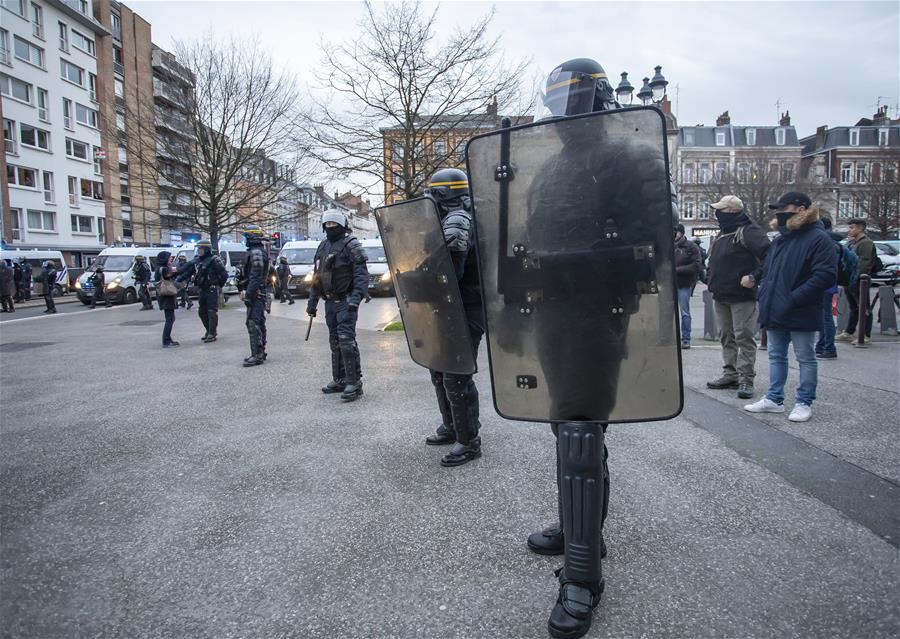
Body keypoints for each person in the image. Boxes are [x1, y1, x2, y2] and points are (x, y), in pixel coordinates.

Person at [468, 58, 678, 639]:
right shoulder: (552, 168)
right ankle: (581, 523)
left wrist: (562, 268)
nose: (565, 116)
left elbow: (654, 245)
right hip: (555, 315)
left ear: (600, 101)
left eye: (575, 100)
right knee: (567, 425)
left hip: (598, 313)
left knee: (583, 429)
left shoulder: (627, 158)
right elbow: (530, 243)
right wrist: (513, 299)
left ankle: (583, 575)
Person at [745, 192, 836, 423]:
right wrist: (765, 294)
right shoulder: (781, 239)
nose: (780, 212)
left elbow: (824, 276)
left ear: (802, 208)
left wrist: (793, 298)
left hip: (801, 307)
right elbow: (770, 271)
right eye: (778, 208)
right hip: (776, 307)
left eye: (785, 207)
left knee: (805, 356)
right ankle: (774, 399)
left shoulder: (818, 238)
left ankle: (804, 402)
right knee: (776, 355)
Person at [420, 168, 485, 466]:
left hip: (465, 306)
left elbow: (451, 272)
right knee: (440, 370)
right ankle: (452, 427)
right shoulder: (447, 219)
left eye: (433, 193)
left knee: (456, 374)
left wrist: (419, 280)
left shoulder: (458, 220)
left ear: (443, 195)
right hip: (449, 305)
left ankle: (469, 440)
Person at [705, 194, 770, 400]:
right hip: (721, 293)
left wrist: (754, 276)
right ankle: (730, 374)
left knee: (744, 337)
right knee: (727, 336)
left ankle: (746, 379)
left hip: (742, 295)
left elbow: (770, 255)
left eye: (721, 210)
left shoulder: (749, 231)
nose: (717, 214)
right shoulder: (724, 233)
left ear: (732, 211)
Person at [306, 210, 369, 401]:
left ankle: (354, 382)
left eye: (335, 224)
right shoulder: (323, 246)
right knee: (335, 342)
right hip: (330, 302)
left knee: (346, 340)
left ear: (342, 225)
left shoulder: (352, 245)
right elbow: (317, 276)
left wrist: (355, 298)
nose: (331, 227)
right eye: (328, 224)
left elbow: (361, 274)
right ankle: (340, 379)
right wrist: (312, 301)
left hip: (345, 300)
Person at [176, 239, 228, 342]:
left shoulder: (214, 260)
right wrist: (178, 279)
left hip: (212, 289)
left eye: (201, 248)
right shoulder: (197, 260)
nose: (199, 250)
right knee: (201, 312)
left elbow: (224, 274)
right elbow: (189, 272)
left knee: (211, 311)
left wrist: (217, 284)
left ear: (206, 249)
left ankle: (212, 333)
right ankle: (208, 330)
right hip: (202, 289)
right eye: (198, 248)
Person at [835, 218, 877, 345]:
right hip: (850, 279)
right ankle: (849, 331)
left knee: (864, 307)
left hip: (859, 280)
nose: (849, 230)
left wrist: (856, 277)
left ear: (860, 228)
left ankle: (865, 334)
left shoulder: (866, 243)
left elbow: (864, 263)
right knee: (854, 307)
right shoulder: (852, 242)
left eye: (852, 227)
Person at [237, 225, 270, 366]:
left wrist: (249, 294)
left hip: (256, 293)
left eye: (246, 237)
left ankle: (257, 354)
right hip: (257, 291)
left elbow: (256, 276)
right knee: (258, 322)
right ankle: (260, 351)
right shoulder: (256, 252)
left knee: (253, 322)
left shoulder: (256, 253)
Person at [815, 218, 842, 359]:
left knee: (826, 316)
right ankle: (822, 345)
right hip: (829, 284)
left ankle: (828, 347)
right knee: (824, 316)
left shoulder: (828, 243)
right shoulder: (833, 242)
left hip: (826, 285)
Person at [674, 224, 701, 348]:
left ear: (681, 233)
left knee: (684, 312)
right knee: (667, 312)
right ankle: (670, 337)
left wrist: (677, 270)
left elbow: (696, 265)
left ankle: (686, 338)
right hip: (672, 283)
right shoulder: (669, 245)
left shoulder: (691, 246)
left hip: (683, 283)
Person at [155, 251, 180, 347]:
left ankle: (168, 339)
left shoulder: (159, 268)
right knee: (170, 319)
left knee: (170, 318)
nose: (171, 259)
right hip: (166, 296)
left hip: (164, 296)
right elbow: (171, 274)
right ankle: (166, 341)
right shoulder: (164, 269)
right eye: (169, 258)